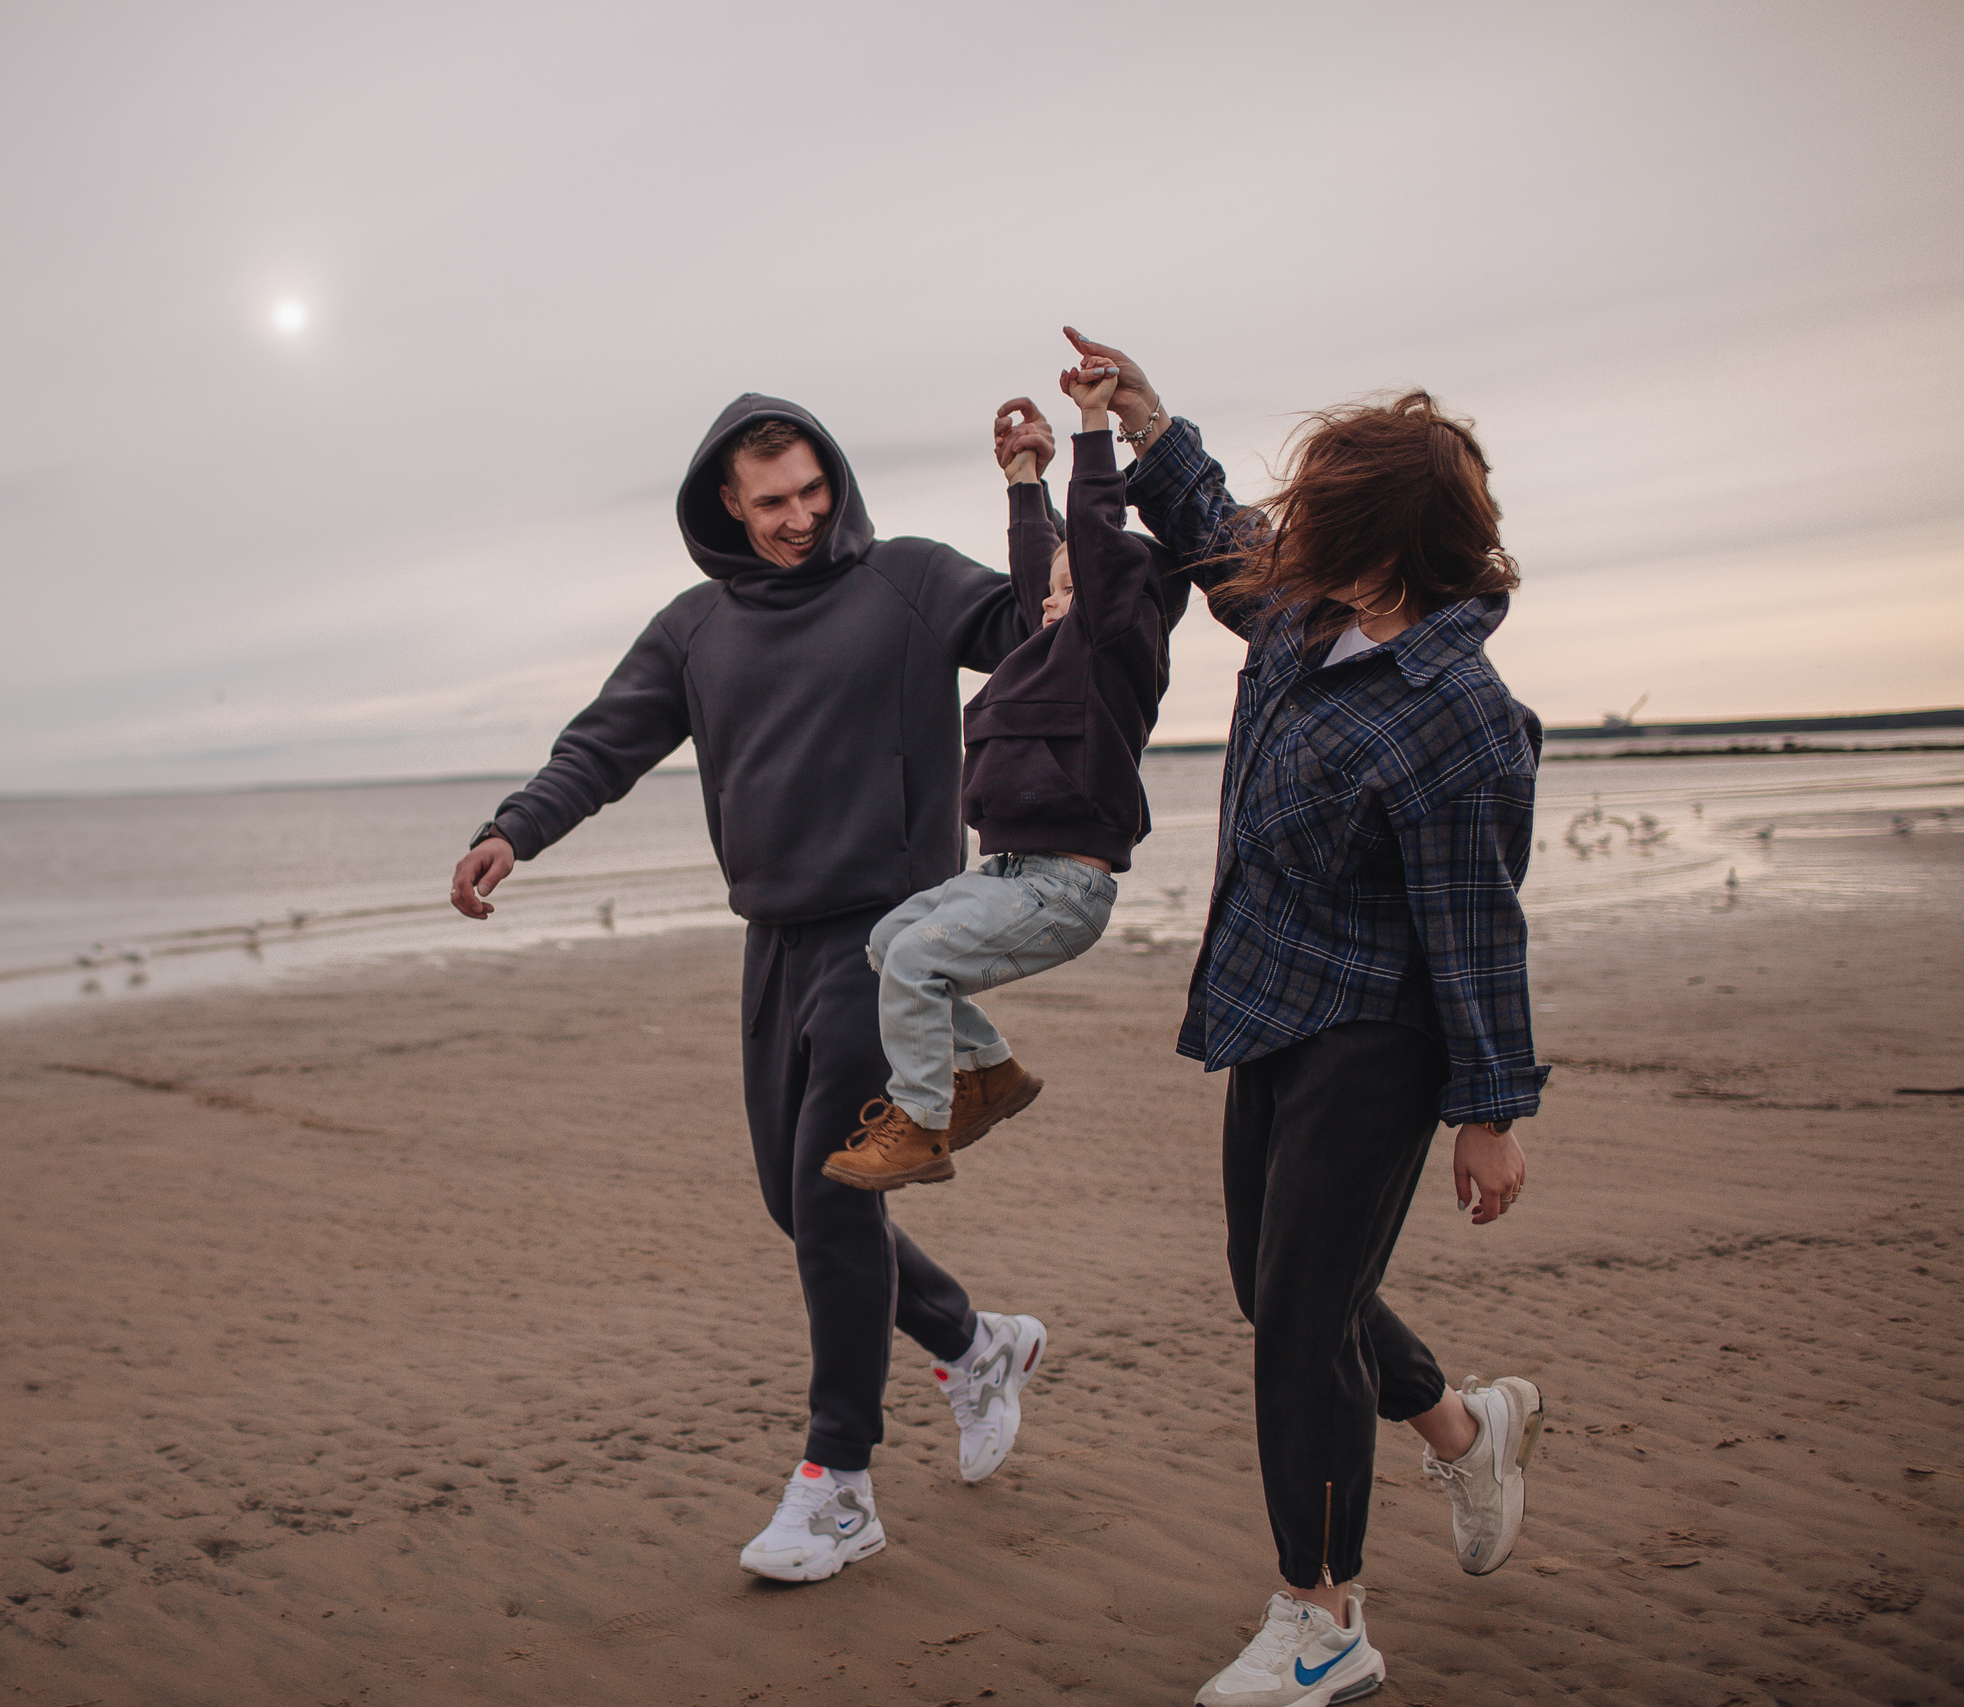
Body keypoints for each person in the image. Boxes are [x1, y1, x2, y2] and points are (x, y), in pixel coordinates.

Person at [447, 395, 1050, 1583]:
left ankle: (839, 1486)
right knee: (798, 1202)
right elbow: (601, 746)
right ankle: (974, 1343)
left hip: (894, 937)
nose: (798, 517)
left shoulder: (911, 582)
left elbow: (1036, 626)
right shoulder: (693, 629)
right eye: (770, 500)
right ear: (725, 503)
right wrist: (513, 830)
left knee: (830, 1196)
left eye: (812, 489)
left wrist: (1030, 487)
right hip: (771, 938)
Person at [1074, 333, 1549, 1706]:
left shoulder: (1459, 709)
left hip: (1382, 1029)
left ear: (1385, 552)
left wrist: (1490, 1108)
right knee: (1270, 1281)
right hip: (1275, 996)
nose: (1290, 538)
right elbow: (1223, 534)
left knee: (1298, 1316)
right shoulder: (1300, 612)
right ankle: (1467, 1429)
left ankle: (1322, 1612)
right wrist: (1151, 421)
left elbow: (1477, 922)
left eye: (1320, 517)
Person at [824, 355, 1188, 1190]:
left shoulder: (1115, 651)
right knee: (888, 945)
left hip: (1061, 885)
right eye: (1056, 590)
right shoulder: (1050, 644)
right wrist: (1026, 477)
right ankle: (988, 1071)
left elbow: (1094, 546)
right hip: (1011, 872)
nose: (1055, 600)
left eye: (1075, 589)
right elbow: (1042, 563)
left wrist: (1096, 430)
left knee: (917, 961)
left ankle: (922, 1121)